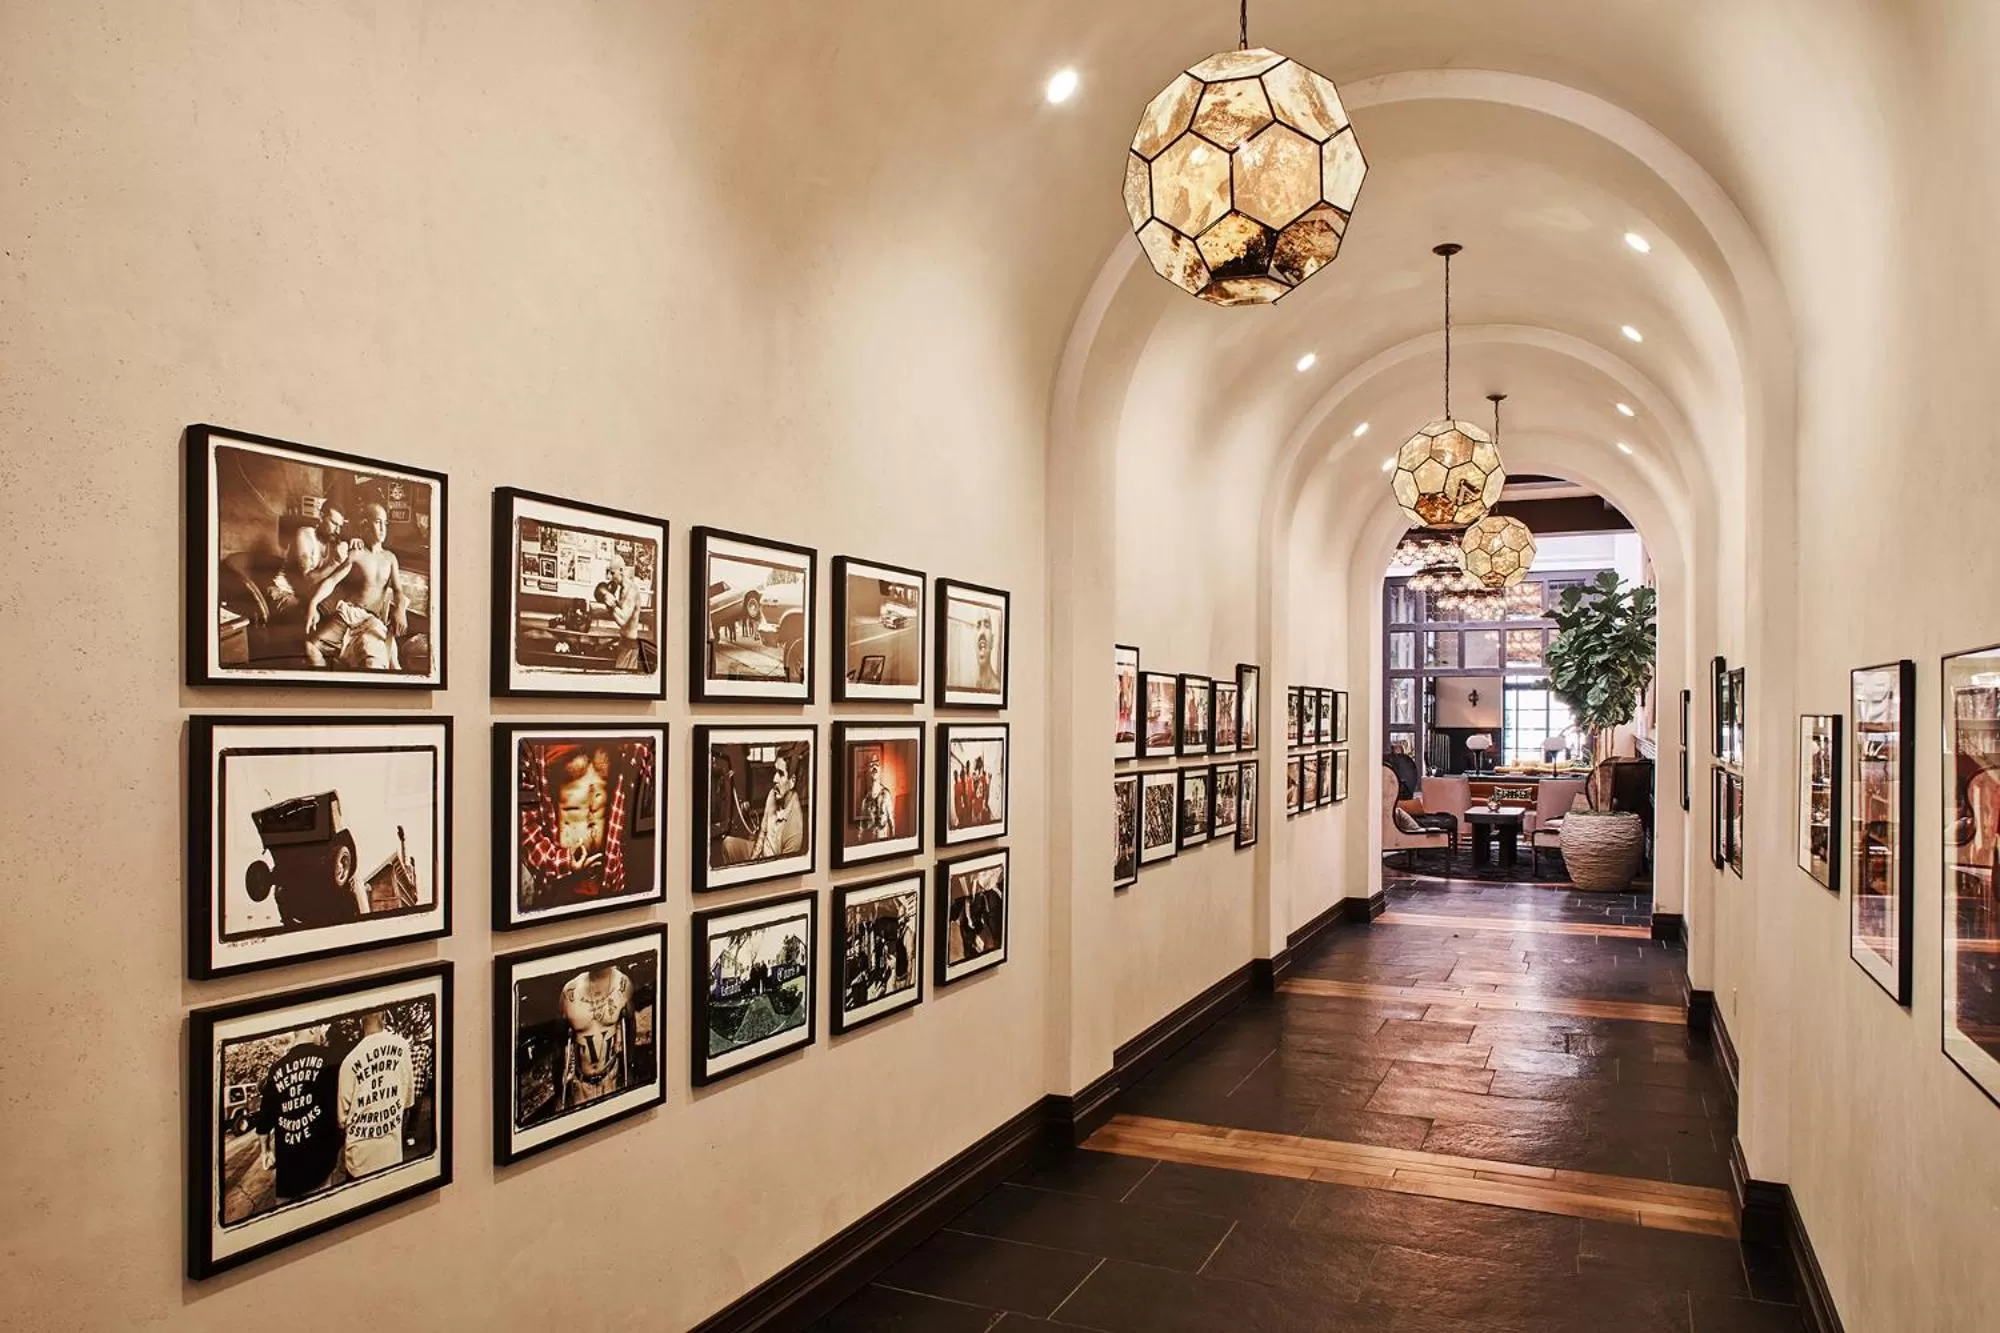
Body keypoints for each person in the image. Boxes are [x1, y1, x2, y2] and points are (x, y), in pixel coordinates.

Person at [518, 742, 649, 906]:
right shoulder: (537, 746)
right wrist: (560, 861)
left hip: (609, 872)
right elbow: (524, 826)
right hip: (560, 880)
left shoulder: (630, 746)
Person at [304, 502, 406, 670]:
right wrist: (313, 604)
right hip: (347, 615)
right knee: (310, 648)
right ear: (366, 524)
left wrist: (400, 609)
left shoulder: (390, 558)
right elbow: (331, 581)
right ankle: (326, 685)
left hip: (371, 620)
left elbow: (398, 591)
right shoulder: (357, 553)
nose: (383, 528)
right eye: (378, 522)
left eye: (385, 523)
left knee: (372, 665)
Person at [253, 1025, 341, 1204]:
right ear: (310, 1030)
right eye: (319, 1031)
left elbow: (263, 1123)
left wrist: (265, 1151)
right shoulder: (328, 1058)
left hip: (289, 1172)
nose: (321, 1035)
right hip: (319, 1165)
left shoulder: (276, 1069)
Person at [337, 1010, 413, 1179]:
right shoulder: (402, 1047)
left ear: (360, 1023)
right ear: (384, 1018)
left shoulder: (349, 1061)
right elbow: (408, 1101)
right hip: (391, 1155)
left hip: (360, 1161)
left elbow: (342, 1120)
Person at [557, 962, 633, 1109]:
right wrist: (560, 1093)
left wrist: (629, 1065)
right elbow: (559, 1042)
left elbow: (630, 1023)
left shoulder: (622, 984)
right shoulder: (570, 991)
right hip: (581, 1084)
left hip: (611, 1077)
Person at [592, 557, 649, 672]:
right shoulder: (622, 589)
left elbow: (623, 620)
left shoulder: (631, 591)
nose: (610, 577)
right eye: (609, 573)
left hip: (630, 645)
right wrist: (608, 602)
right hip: (624, 641)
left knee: (622, 680)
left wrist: (610, 603)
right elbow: (619, 612)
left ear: (621, 570)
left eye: (613, 573)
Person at [855, 755, 895, 843]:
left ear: (880, 769)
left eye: (877, 764)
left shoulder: (886, 794)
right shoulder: (865, 800)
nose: (874, 767)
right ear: (868, 771)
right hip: (870, 845)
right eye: (871, 765)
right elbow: (861, 827)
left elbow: (891, 822)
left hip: (884, 843)